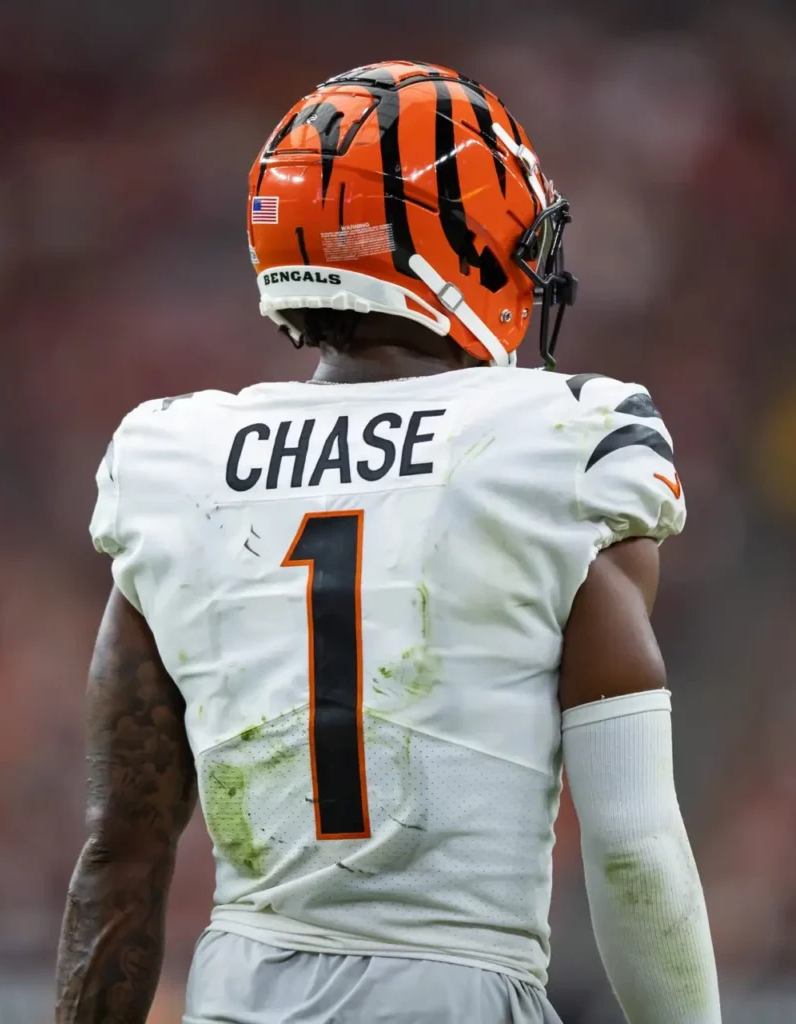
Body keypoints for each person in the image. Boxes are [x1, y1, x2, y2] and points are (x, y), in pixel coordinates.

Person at [55, 61, 722, 1024]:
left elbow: (118, 858)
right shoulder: (560, 444)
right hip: (458, 991)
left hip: (238, 992)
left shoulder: (176, 461)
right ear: (461, 245)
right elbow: (631, 845)